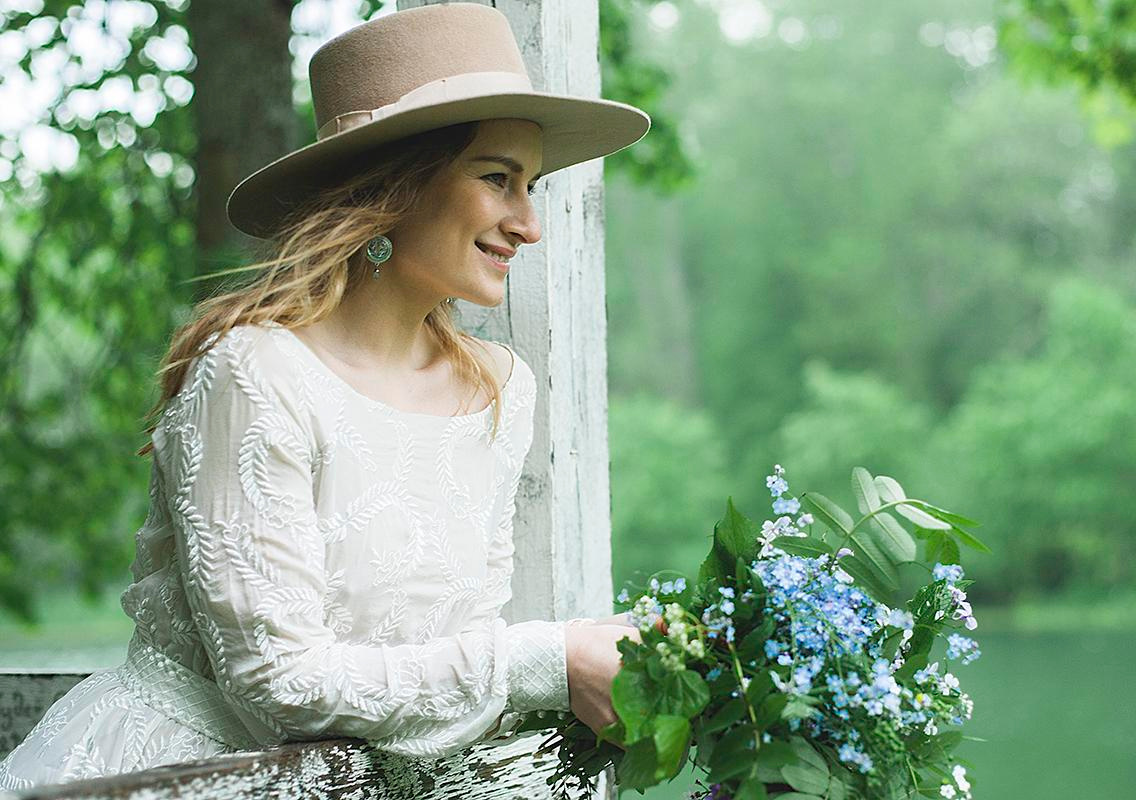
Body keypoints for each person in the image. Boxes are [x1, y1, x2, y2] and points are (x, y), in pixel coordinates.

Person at [0, 3, 653, 790]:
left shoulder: (501, 389)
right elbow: (280, 689)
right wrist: (550, 658)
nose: (529, 224)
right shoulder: (251, 373)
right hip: (182, 776)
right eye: (496, 179)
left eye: (533, 185)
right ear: (396, 184)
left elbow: (458, 653)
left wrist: (605, 651)